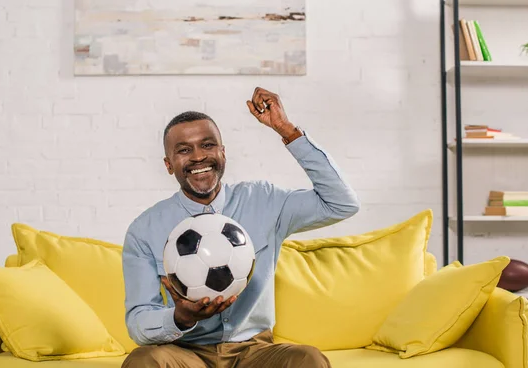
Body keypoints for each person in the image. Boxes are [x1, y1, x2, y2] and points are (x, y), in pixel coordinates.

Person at [121, 87, 360, 368]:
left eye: (208, 145)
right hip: (186, 353)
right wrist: (180, 318)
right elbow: (138, 321)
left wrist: (287, 130)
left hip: (255, 352)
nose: (198, 157)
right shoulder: (144, 229)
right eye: (184, 150)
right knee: (144, 361)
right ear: (169, 164)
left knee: (308, 358)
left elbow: (341, 203)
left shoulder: (264, 201)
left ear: (223, 152)